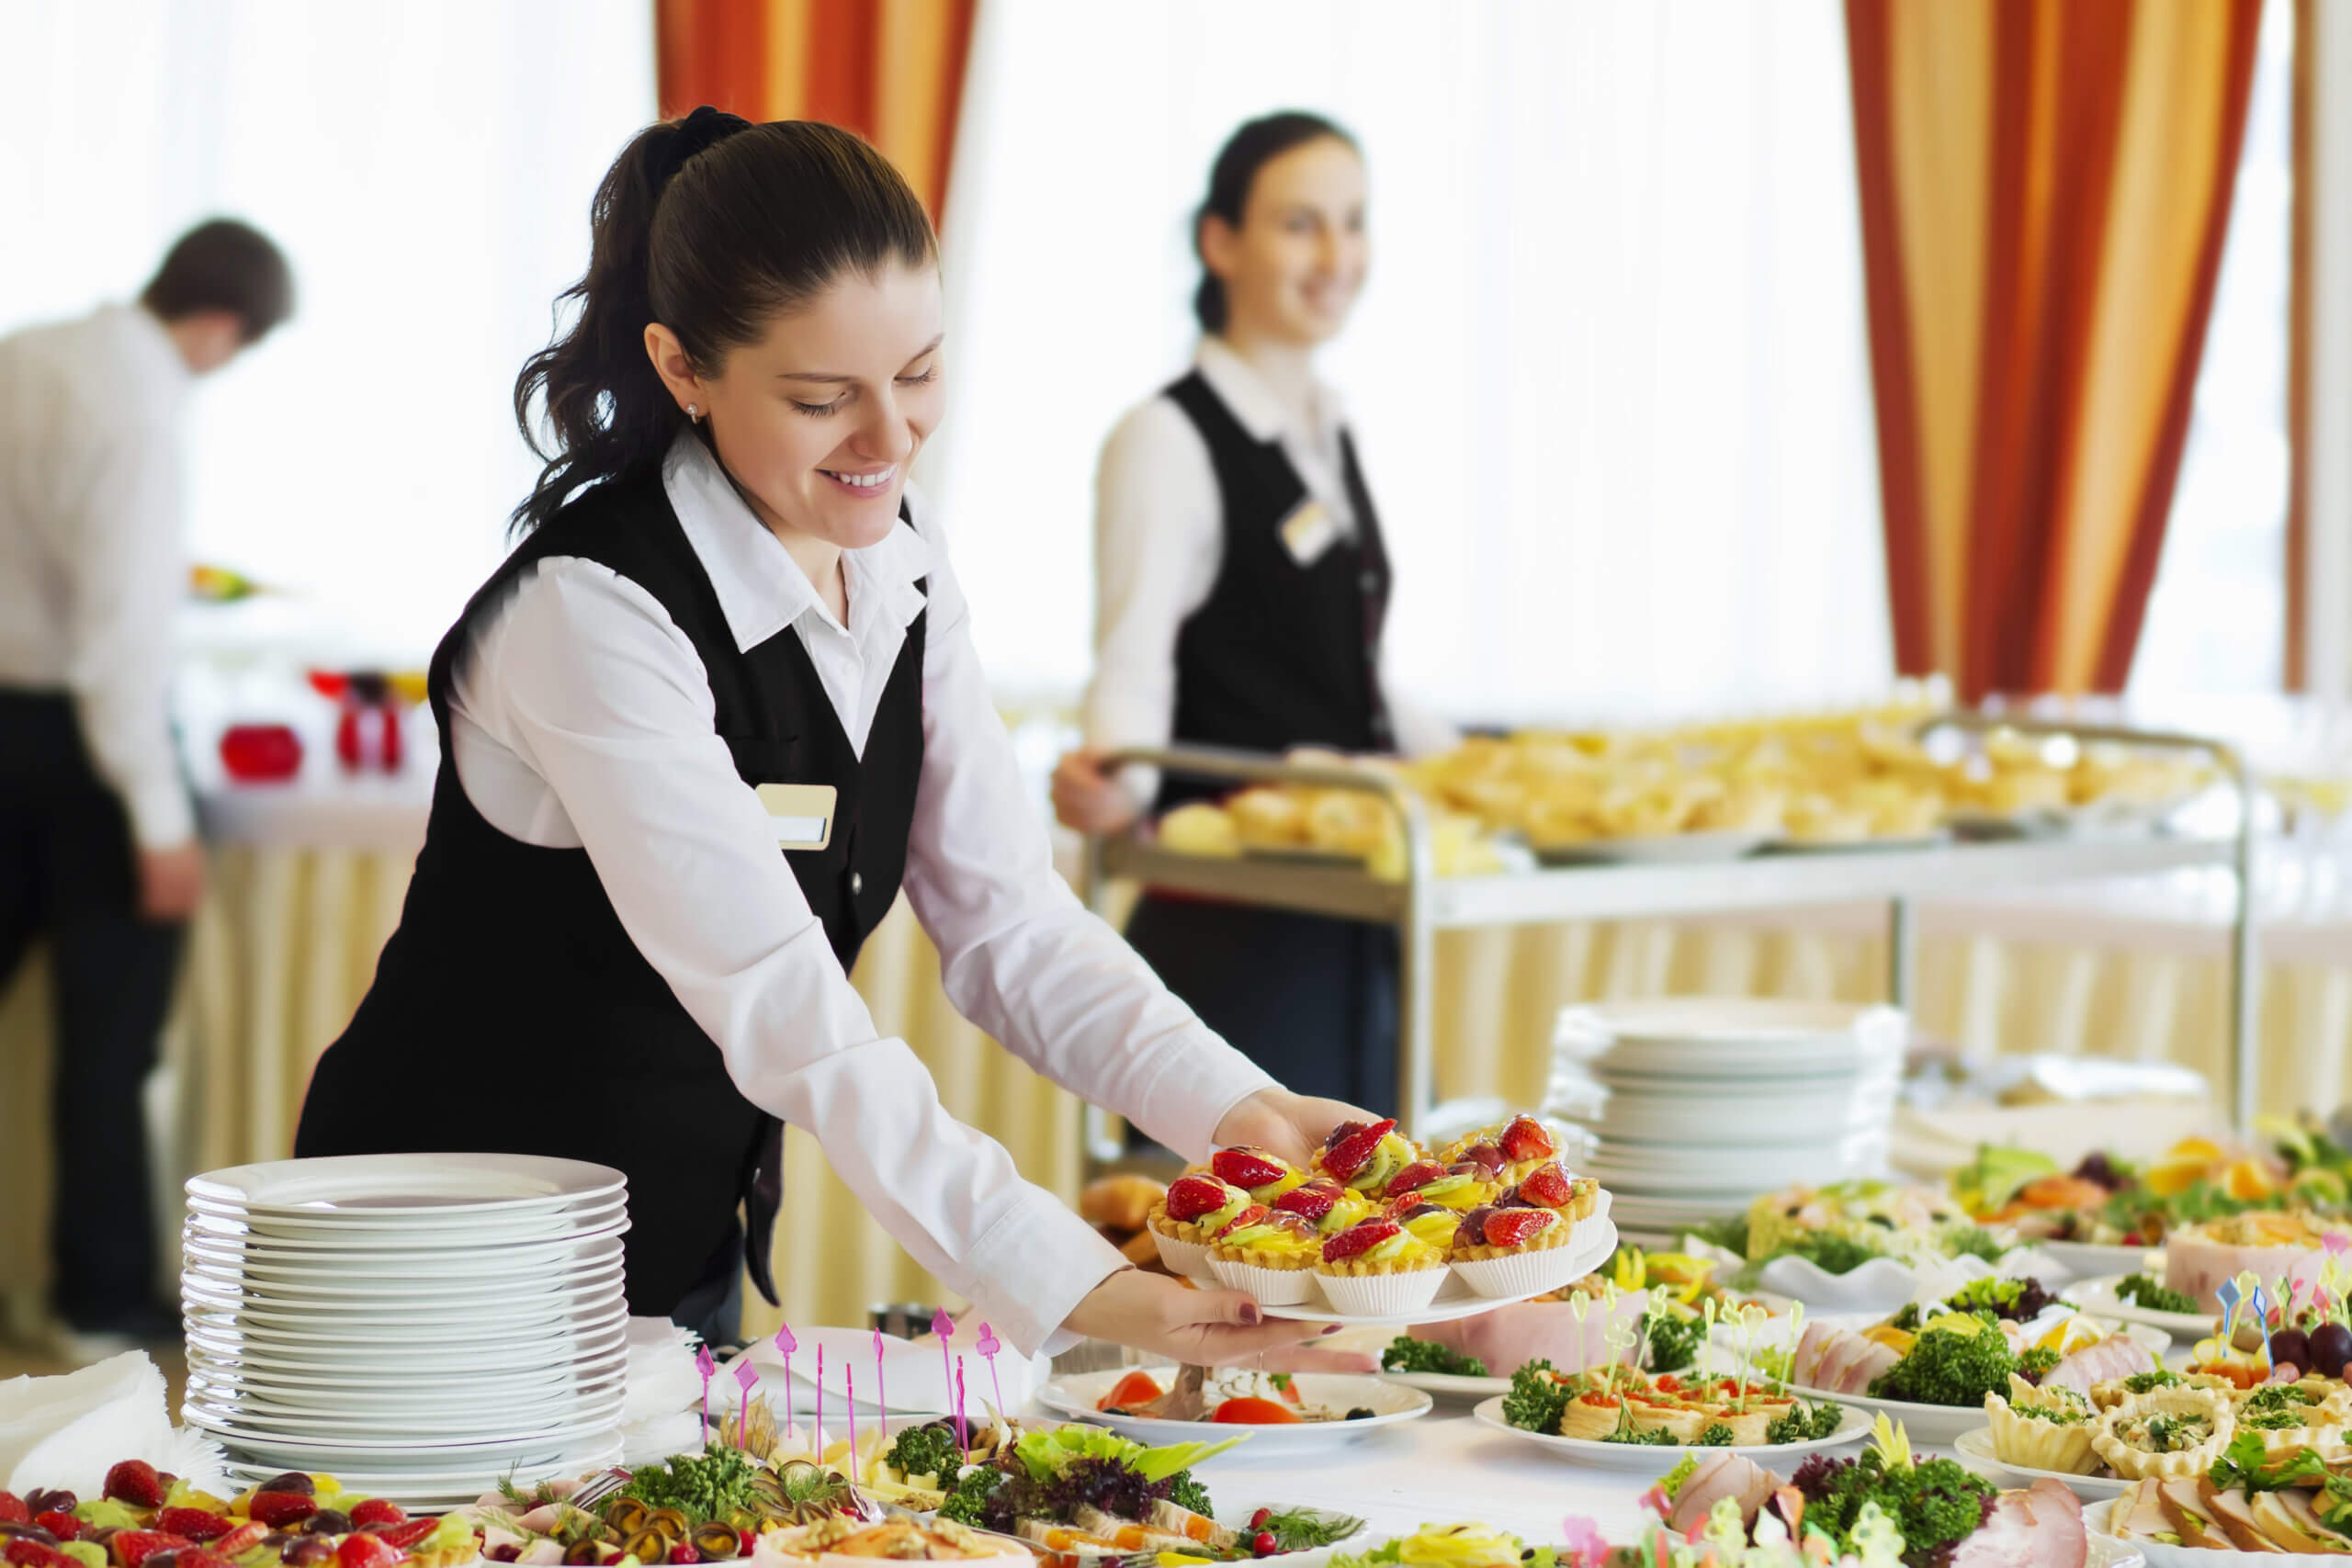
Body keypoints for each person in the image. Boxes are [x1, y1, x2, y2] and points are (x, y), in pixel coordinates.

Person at [294, 110, 1368, 1364]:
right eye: (822, 399)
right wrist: (1066, 1281)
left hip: (663, 1257)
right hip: (428, 1265)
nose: (891, 440)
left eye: (918, 374)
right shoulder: (595, 613)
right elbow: (786, 1004)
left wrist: (1248, 1114)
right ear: (685, 368)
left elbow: (1011, 923)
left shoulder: (903, 564)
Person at [1052, 112, 1456, 1118]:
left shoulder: (1327, 432)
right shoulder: (1165, 437)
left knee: (1396, 1248)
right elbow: (1134, 662)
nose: (1337, 257)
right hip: (1239, 945)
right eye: (1300, 225)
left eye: (1352, 224)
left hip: (1351, 916)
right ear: (1219, 241)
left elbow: (1337, 673)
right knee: (1241, 1259)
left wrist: (1482, 761)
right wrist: (1113, 774)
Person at [0, 219, 295, 1355]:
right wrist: (161, 824)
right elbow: (118, 652)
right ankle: (99, 1301)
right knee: (109, 1046)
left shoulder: (30, 351)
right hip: (90, 754)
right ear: (221, 327)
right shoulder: (141, 412)